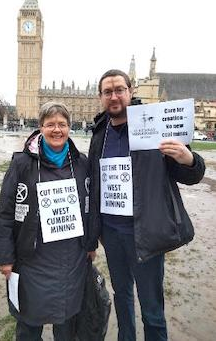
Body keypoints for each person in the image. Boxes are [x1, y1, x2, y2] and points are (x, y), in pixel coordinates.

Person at [87, 69, 206, 341]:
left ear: (130, 91)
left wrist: (188, 159)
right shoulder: (99, 133)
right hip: (112, 234)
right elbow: (94, 184)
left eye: (120, 89)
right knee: (123, 297)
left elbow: (192, 174)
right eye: (108, 91)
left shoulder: (154, 126)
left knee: (152, 309)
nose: (114, 96)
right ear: (101, 97)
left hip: (145, 233)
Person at [0, 102, 93, 341]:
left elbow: (90, 209)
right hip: (32, 259)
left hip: (71, 259)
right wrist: (5, 257)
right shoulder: (22, 163)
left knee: (67, 323)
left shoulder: (82, 163)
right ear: (40, 128)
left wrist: (90, 244)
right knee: (29, 324)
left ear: (69, 127)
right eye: (50, 124)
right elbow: (5, 212)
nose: (56, 129)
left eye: (62, 124)